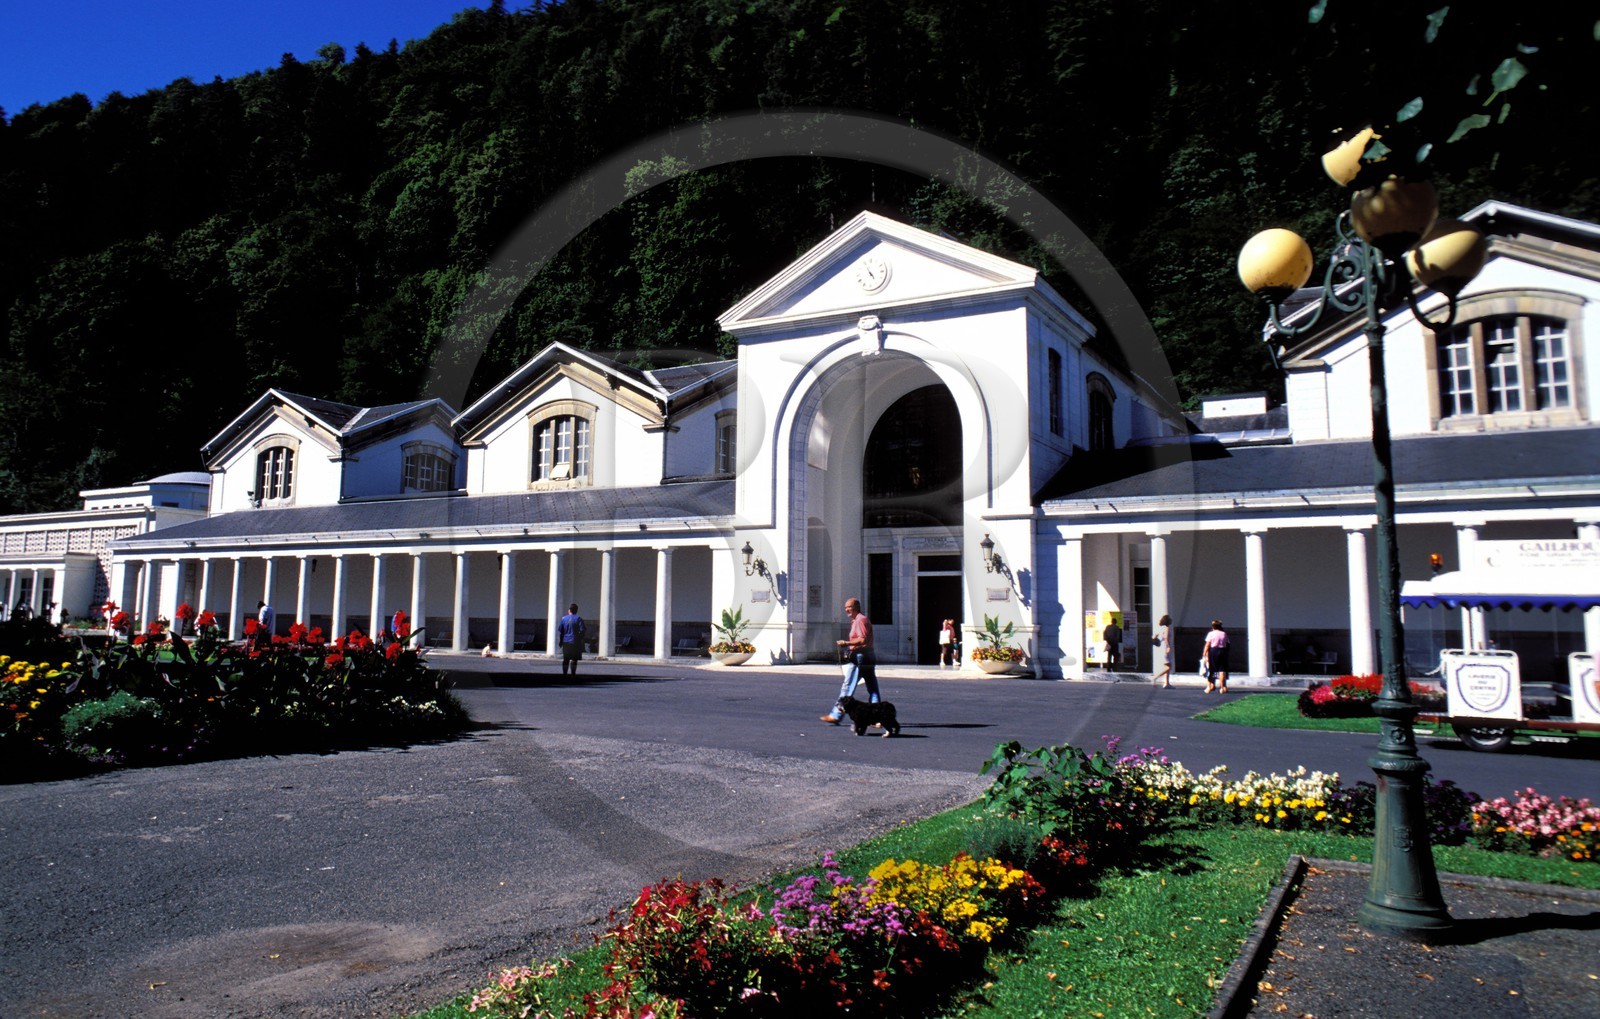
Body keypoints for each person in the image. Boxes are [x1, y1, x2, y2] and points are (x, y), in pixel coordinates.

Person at [821, 597, 880, 724]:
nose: (847, 609)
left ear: (857, 607)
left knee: (848, 686)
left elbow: (862, 639)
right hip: (868, 656)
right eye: (846, 607)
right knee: (872, 688)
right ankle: (877, 717)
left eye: (849, 607)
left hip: (860, 656)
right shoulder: (858, 620)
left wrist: (846, 643)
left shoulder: (860, 620)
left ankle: (836, 714)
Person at [1202, 619, 1231, 693]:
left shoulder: (1211, 634)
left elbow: (1207, 644)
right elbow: (1227, 643)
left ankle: (1210, 686)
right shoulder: (1224, 633)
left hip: (1213, 651)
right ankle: (1222, 687)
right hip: (1222, 651)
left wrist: (1204, 653)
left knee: (1212, 669)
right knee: (1222, 669)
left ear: (1213, 626)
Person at [558, 603, 586, 676]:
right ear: (576, 611)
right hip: (575, 642)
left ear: (569, 610)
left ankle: (564, 674)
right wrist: (579, 639)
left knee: (566, 659)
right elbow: (582, 631)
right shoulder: (578, 619)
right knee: (574, 659)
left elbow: (561, 632)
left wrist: (561, 641)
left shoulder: (564, 619)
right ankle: (573, 673)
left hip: (566, 641)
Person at [1152, 614, 1174, 688]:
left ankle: (1167, 683)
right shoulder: (1167, 628)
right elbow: (1166, 638)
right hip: (1165, 647)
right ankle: (1155, 678)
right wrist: (1168, 647)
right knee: (1168, 667)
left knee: (1167, 665)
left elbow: (1154, 637)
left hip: (1161, 647)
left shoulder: (1160, 628)